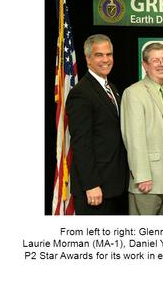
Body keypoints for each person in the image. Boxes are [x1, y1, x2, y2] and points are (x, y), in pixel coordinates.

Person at [120, 43, 163, 215]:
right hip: (149, 178)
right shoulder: (134, 93)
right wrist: (142, 175)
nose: (161, 64)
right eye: (155, 60)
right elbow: (134, 138)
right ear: (145, 65)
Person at [66, 34, 129, 215]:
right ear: (88, 59)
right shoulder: (81, 93)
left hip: (113, 185)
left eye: (109, 55)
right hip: (94, 188)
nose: (106, 60)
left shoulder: (111, 88)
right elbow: (81, 143)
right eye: (99, 55)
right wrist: (91, 184)